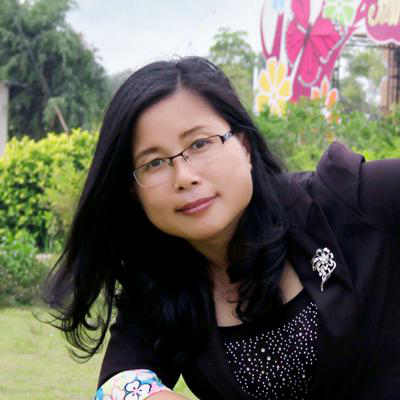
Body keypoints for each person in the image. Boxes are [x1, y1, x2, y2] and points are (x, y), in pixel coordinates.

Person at [42, 56, 400, 400]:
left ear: (244, 146)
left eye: (200, 144)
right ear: (134, 192)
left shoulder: (345, 201)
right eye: (154, 163)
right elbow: (119, 384)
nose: (184, 176)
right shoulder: (161, 282)